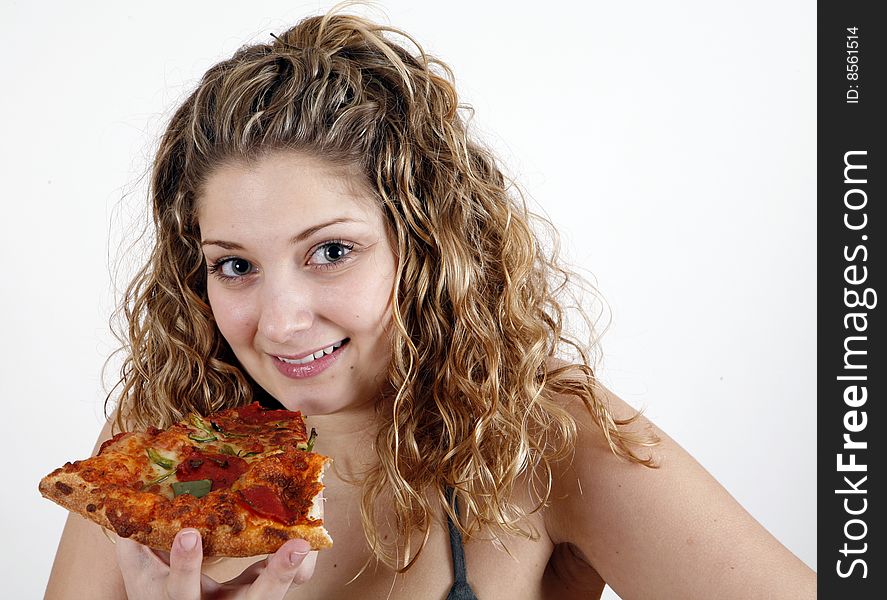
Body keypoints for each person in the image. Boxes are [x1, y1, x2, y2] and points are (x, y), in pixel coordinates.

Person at [45, 8, 816, 600]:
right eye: (235, 265)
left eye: (332, 252)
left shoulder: (540, 442)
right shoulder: (157, 449)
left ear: (427, 243)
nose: (278, 322)